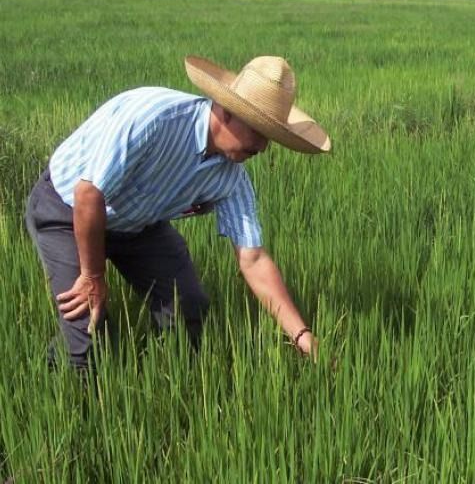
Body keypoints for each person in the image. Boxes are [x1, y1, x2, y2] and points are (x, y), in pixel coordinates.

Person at [25, 54, 330, 370]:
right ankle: (64, 388)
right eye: (258, 131)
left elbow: (253, 259)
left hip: (138, 224)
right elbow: (88, 194)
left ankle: (161, 385)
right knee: (89, 332)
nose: (262, 147)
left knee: (187, 310)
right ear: (226, 112)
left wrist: (303, 337)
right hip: (68, 210)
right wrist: (92, 276)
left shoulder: (231, 177)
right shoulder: (154, 119)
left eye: (270, 137)